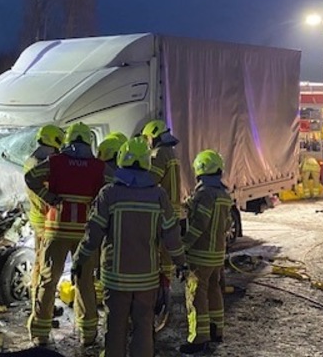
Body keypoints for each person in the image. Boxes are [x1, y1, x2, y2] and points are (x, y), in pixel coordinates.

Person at [72, 137, 186, 357]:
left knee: (115, 328)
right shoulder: (158, 195)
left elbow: (92, 235)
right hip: (147, 278)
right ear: (146, 163)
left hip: (115, 278)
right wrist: (181, 263)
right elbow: (172, 235)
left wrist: (79, 260)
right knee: (144, 327)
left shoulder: (109, 194)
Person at [24, 122, 106, 347]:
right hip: (84, 233)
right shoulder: (98, 166)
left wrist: (48, 197)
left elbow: (30, 177)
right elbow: (111, 187)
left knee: (48, 281)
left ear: (68, 141)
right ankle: (87, 334)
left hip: (56, 229)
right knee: (85, 282)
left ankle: (40, 333)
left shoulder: (54, 162)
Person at [180, 150, 234, 354]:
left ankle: (199, 338)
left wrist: (184, 244)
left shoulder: (204, 194)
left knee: (196, 296)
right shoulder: (223, 195)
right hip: (217, 256)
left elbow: (199, 224)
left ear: (200, 171)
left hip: (201, 255)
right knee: (214, 292)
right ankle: (216, 330)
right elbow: (227, 224)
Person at [23, 125, 65, 306]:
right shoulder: (44, 163)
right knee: (44, 266)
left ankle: (39, 304)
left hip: (37, 217)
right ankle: (39, 305)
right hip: (45, 220)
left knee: (41, 264)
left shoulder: (31, 159)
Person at [140, 119, 182, 280]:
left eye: (147, 139)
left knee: (160, 252)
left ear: (154, 136)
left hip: (162, 210)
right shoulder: (171, 152)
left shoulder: (159, 153)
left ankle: (161, 289)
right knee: (168, 251)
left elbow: (151, 180)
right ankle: (166, 287)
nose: (147, 143)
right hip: (172, 209)